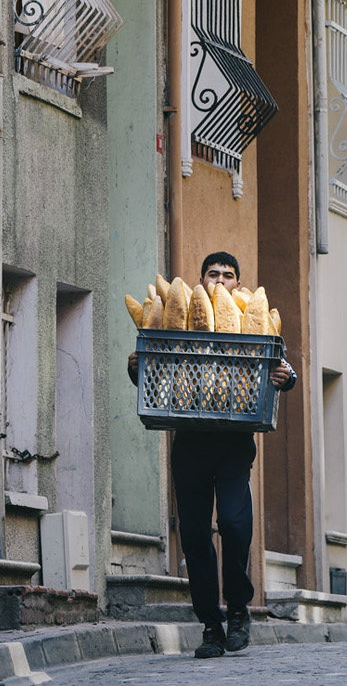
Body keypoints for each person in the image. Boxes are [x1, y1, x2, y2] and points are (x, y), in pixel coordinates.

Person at [128, 252, 296, 659]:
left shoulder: (252, 324)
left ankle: (239, 610)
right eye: (213, 274)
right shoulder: (183, 321)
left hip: (235, 442)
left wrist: (284, 376)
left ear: (238, 282)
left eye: (228, 275)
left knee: (236, 527)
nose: (220, 280)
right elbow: (155, 373)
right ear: (201, 279)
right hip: (190, 441)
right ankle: (210, 625)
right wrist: (138, 366)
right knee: (196, 537)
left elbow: (283, 368)